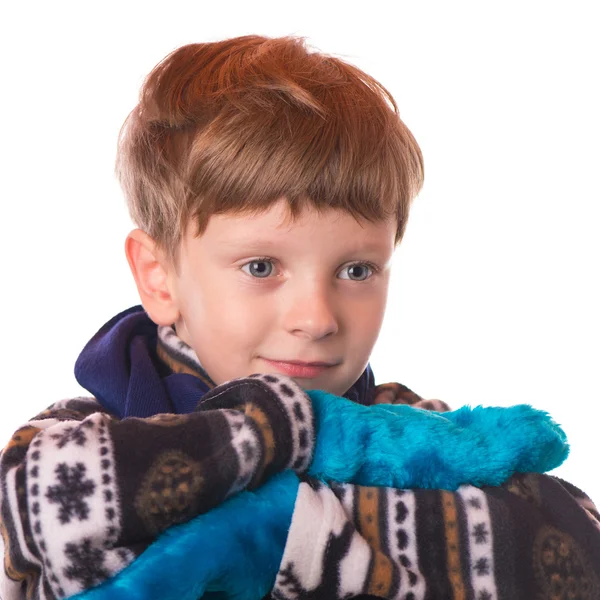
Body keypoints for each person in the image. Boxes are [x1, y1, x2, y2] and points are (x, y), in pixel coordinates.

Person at [1, 35, 599, 600]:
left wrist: (295, 539)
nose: (316, 318)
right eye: (262, 267)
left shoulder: (411, 429)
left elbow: (579, 547)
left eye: (357, 271)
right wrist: (302, 430)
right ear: (159, 277)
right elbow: (54, 519)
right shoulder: (68, 438)